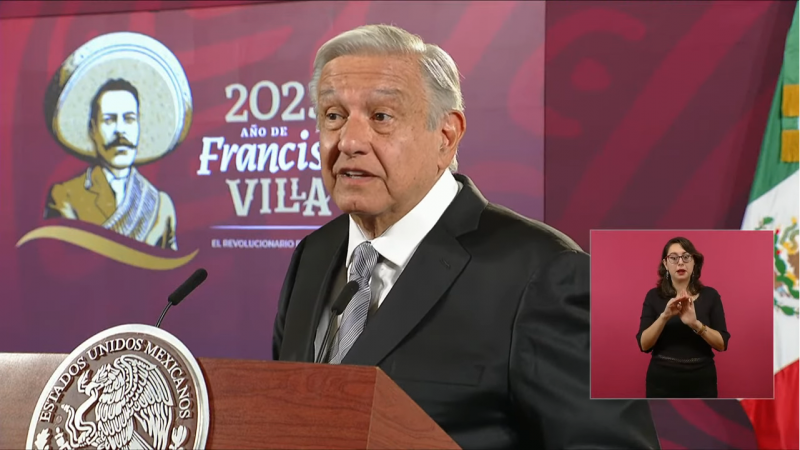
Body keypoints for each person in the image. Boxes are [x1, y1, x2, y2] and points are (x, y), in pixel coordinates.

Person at [273, 24, 660, 449]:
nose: (349, 141)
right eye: (333, 116)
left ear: (446, 135)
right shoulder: (314, 254)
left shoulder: (546, 275)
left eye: (381, 117)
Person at [44, 78, 178, 250]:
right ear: (93, 129)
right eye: (109, 120)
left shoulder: (160, 205)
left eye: (129, 119)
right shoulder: (65, 197)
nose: (120, 130)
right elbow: (64, 261)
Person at [636, 236, 731, 398]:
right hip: (661, 380)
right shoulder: (653, 296)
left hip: (702, 379)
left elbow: (722, 344)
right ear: (665, 264)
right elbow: (644, 345)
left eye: (686, 257)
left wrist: (695, 324)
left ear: (694, 262)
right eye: (673, 258)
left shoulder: (711, 295)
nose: (680, 262)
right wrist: (665, 316)